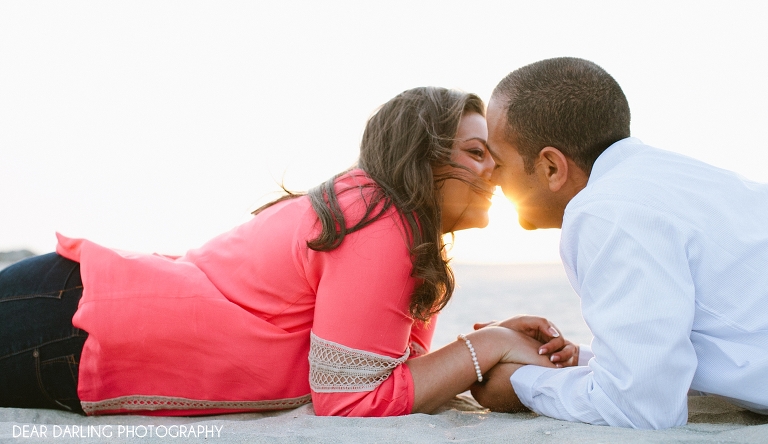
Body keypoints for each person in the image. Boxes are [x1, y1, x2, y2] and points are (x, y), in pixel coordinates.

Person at [0, 87, 574, 417]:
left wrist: (485, 343)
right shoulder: (377, 221)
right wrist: (488, 344)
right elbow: (350, 402)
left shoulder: (393, 228)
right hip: (70, 323)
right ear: (421, 159)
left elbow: (383, 370)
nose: (494, 171)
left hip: (72, 311)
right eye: (476, 153)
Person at [469, 57, 768, 429]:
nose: (490, 176)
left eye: (498, 162)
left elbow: (641, 409)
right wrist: (582, 359)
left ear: (551, 167)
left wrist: (517, 384)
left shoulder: (606, 212)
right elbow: (721, 342)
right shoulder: (666, 179)